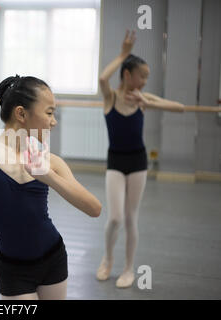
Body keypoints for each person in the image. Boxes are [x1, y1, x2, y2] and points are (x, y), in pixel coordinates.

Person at [0, 0, 101, 300]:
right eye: (49, 112)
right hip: (14, 269)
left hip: (54, 257)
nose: (54, 121)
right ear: (22, 114)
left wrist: (48, 176)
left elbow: (94, 208)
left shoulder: (52, 162)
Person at [96, 30, 184, 288]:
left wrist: (147, 102)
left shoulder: (143, 99)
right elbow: (102, 77)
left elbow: (179, 108)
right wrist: (122, 54)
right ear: (127, 74)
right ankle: (107, 259)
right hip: (115, 161)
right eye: (143, 76)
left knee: (131, 217)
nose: (145, 80)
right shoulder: (110, 97)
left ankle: (128, 268)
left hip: (137, 163)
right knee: (115, 218)